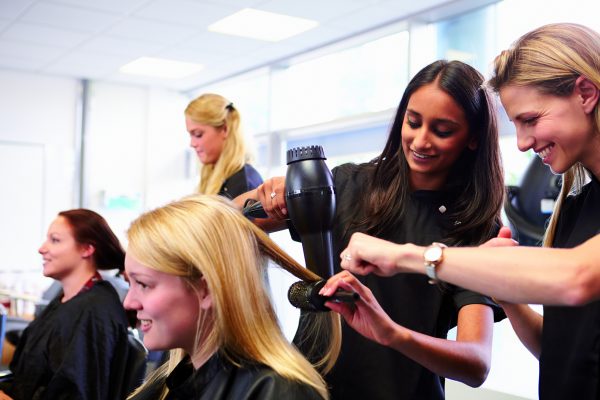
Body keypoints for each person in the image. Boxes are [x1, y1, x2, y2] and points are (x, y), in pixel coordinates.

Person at [336, 22, 600, 400]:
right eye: (516, 125)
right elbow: (559, 350)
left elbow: (577, 278)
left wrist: (406, 256)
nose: (523, 143)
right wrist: (503, 289)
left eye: (530, 120)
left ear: (586, 93)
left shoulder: (479, 228)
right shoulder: (577, 207)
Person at [236, 60, 505, 399]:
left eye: (443, 130)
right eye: (413, 122)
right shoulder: (349, 184)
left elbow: (476, 363)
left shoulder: (476, 227)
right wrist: (266, 194)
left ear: (473, 138)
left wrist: (391, 334)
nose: (421, 141)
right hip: (310, 390)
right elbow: (225, 223)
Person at [123, 195, 341, 400]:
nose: (129, 302)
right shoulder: (171, 385)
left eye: (143, 284)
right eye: (129, 284)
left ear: (207, 289)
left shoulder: (277, 392)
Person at [0, 209, 130, 400]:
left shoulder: (93, 312)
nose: (42, 248)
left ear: (87, 249)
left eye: (55, 240)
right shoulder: (65, 300)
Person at [185, 93, 263, 199]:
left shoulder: (244, 183)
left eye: (198, 134)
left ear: (224, 129)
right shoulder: (215, 176)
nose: (192, 144)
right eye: (191, 135)